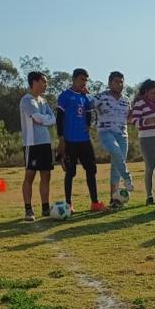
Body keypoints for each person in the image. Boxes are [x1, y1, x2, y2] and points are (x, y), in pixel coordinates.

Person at [57, 68, 108, 212]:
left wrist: (88, 125)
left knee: (91, 169)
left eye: (86, 80)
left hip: (84, 140)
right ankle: (68, 205)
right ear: (73, 79)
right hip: (70, 140)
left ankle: (95, 203)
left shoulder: (85, 97)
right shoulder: (65, 96)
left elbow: (89, 113)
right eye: (81, 79)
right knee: (70, 172)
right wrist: (61, 138)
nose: (83, 82)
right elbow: (59, 118)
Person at [93, 71, 134, 208]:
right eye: (116, 82)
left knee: (116, 166)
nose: (119, 84)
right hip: (106, 132)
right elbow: (88, 106)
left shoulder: (126, 100)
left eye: (121, 82)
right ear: (110, 83)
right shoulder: (100, 97)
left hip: (123, 135)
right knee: (116, 153)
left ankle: (114, 200)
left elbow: (129, 117)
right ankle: (127, 178)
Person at [20, 71, 57, 220]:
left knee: (46, 175)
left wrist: (44, 119)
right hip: (32, 143)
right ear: (34, 82)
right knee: (30, 175)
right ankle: (28, 209)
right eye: (44, 82)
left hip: (45, 143)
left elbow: (52, 119)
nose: (46, 85)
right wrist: (43, 119)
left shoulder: (44, 101)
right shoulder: (26, 100)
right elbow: (37, 118)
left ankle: (45, 208)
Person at [130, 79, 155, 205]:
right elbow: (135, 121)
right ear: (146, 92)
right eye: (153, 92)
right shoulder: (139, 103)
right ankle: (149, 196)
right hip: (146, 138)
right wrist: (149, 121)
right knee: (150, 167)